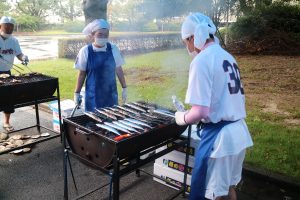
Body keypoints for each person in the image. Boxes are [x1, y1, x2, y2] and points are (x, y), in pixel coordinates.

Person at [175, 13, 253, 200]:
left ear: (192, 37)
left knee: (215, 194)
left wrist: (182, 117)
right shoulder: (227, 56)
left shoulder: (201, 61)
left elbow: (200, 111)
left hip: (221, 140)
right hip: (239, 132)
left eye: (186, 41)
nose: (187, 46)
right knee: (228, 187)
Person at [74, 19, 127, 112]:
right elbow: (82, 74)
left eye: (106, 35)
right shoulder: (85, 51)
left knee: (112, 118)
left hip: (110, 94)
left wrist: (124, 87)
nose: (103, 37)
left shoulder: (113, 49)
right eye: (100, 34)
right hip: (93, 95)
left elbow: (119, 69)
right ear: (92, 35)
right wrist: (77, 93)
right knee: (93, 122)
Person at [0, 16, 29, 133]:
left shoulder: (14, 41)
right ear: (0, 26)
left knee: (8, 98)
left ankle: (6, 122)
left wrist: (24, 58)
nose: (9, 28)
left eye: (11, 26)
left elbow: (19, 54)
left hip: (7, 73)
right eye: (6, 25)